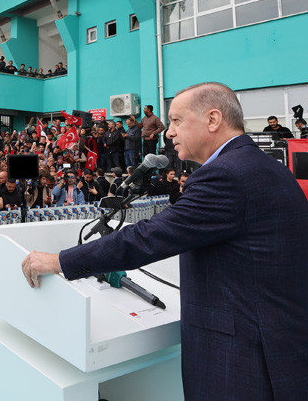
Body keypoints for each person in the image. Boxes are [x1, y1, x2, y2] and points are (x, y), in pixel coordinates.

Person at [21, 82, 308, 399]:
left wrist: (59, 261)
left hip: (245, 361)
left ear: (212, 120)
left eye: (176, 120)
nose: (169, 133)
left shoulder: (226, 176)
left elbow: (147, 238)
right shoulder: (264, 166)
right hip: (275, 344)